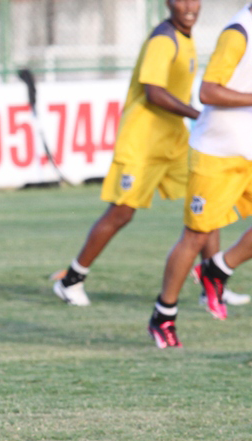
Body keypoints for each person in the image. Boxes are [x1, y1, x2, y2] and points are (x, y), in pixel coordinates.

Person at [53, 0, 248, 308]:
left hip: (175, 141)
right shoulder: (163, 38)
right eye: (180, 0)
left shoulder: (186, 38)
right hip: (143, 142)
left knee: (210, 206)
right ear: (168, 3)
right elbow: (153, 92)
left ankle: (212, 285)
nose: (188, 7)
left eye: (194, 0)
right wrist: (199, 113)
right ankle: (71, 280)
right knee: (121, 213)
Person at [148, 3, 252, 348]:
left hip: (248, 148)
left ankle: (218, 269)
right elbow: (208, 92)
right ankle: (163, 315)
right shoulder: (238, 32)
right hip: (217, 152)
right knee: (195, 237)